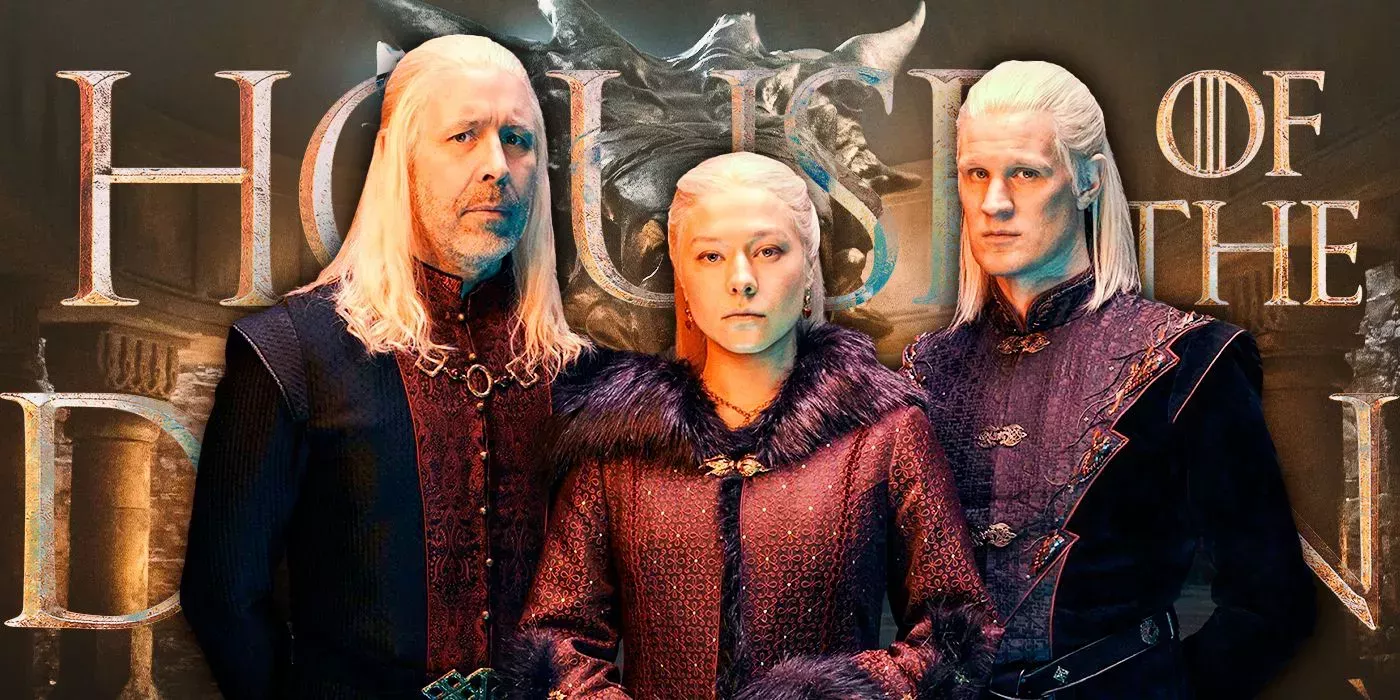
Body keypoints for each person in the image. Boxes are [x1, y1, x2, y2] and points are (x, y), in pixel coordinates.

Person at [180, 35, 588, 698]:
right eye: (463, 136)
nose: (497, 165)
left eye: (517, 138)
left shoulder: (576, 375)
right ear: (402, 157)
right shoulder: (290, 351)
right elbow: (224, 596)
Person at [506, 152, 999, 699]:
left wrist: (828, 695)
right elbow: (558, 640)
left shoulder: (885, 434)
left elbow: (955, 634)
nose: (741, 280)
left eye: (768, 251)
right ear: (682, 278)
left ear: (807, 267)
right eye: (711, 256)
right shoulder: (619, 445)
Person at [901, 60, 1316, 699]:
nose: (994, 203)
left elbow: (1271, 603)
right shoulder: (924, 371)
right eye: (975, 173)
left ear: (1088, 181)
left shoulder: (1190, 361)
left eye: (1026, 173)